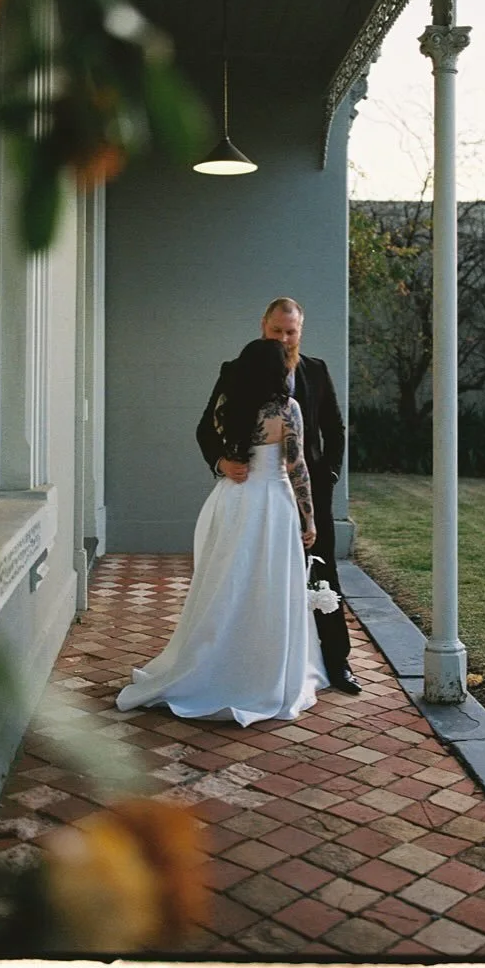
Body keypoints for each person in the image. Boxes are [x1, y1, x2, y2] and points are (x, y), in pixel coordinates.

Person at [116, 338, 327, 725]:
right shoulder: (286, 410)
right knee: (267, 585)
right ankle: (260, 673)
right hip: (272, 505)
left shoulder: (229, 406)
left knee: (225, 584)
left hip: (231, 501)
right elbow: (297, 468)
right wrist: (309, 519)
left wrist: (223, 461)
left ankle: (212, 663)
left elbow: (222, 445)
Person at [196, 297, 361, 694]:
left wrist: (331, 476)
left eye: (292, 332)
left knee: (323, 572)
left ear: (300, 332)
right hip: (255, 490)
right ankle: (251, 660)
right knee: (252, 573)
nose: (284, 339)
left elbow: (335, 429)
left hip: (310, 492)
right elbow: (206, 426)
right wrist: (221, 461)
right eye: (277, 331)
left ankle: (337, 662)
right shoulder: (236, 371)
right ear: (263, 326)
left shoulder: (316, 371)